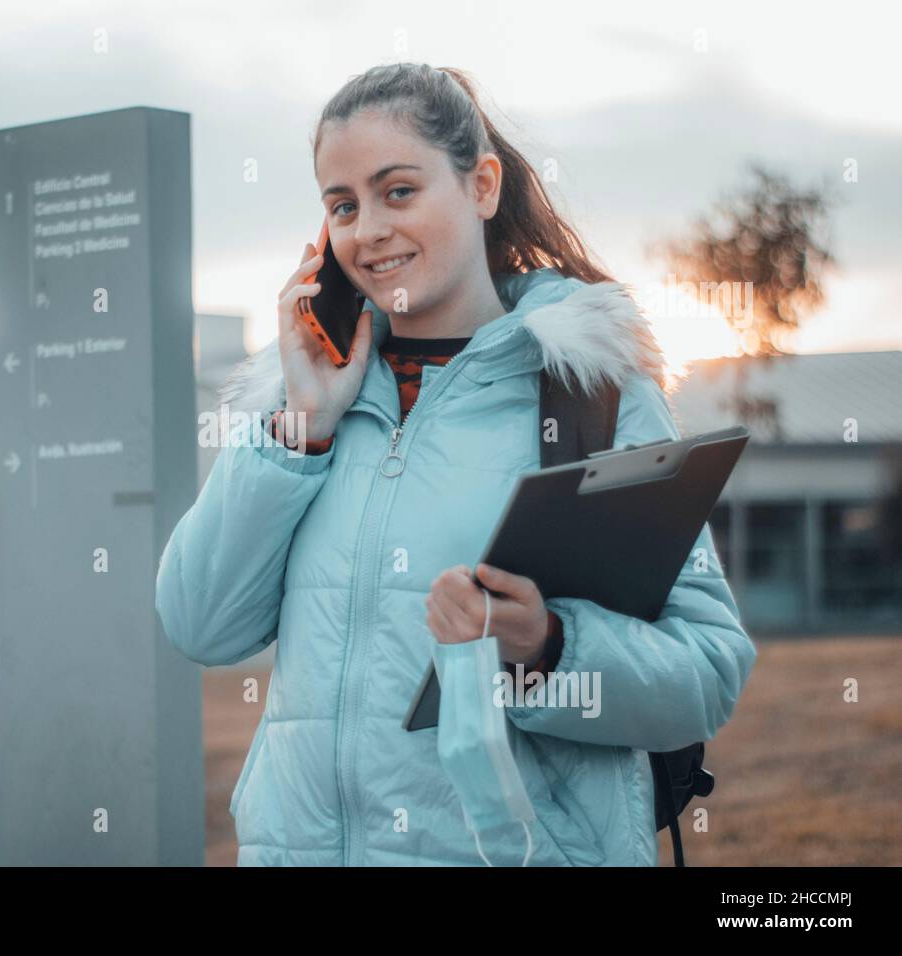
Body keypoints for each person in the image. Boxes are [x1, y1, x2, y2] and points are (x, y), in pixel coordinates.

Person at [155, 62, 756, 866]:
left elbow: (706, 674)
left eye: (397, 191)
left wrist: (547, 650)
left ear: (481, 186)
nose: (366, 229)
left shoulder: (586, 396)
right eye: (342, 204)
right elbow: (199, 622)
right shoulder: (305, 408)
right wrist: (300, 427)